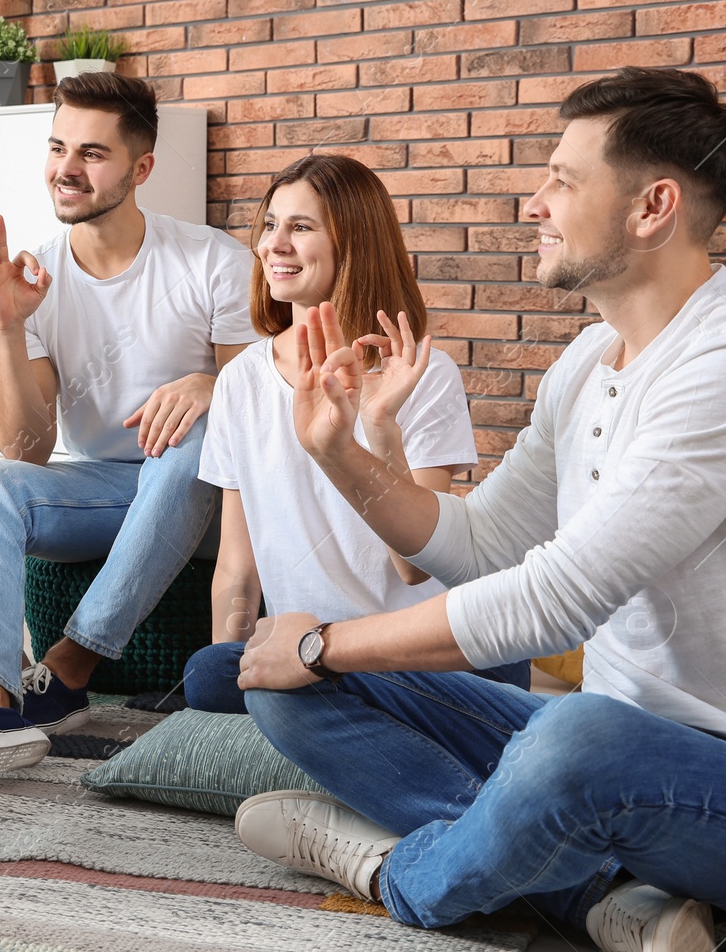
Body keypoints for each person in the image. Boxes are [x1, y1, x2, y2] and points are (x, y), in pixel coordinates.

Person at [230, 67, 726, 952]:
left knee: (572, 738)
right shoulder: (592, 358)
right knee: (276, 684)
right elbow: (480, 545)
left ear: (651, 208)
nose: (533, 202)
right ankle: (598, 892)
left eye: (562, 179)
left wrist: (322, 644)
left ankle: (398, 870)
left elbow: (549, 602)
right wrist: (338, 452)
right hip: (604, 746)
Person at [0, 71, 257, 790]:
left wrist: (212, 384)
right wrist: (7, 326)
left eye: (92, 153)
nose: (66, 167)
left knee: (197, 435)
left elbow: (261, 416)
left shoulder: (214, 261)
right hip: (103, 488)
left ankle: (67, 668)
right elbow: (24, 447)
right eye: (59, 146)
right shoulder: (38, 277)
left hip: (213, 497)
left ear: (141, 168)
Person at [181, 153, 526, 716]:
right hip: (304, 648)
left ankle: (337, 707)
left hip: (411, 646)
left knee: (496, 661)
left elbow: (417, 568)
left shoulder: (420, 373)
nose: (274, 245)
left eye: (301, 227)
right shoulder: (241, 379)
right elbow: (237, 569)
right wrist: (237, 671)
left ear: (354, 244)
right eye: (270, 225)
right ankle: (330, 706)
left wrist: (379, 424)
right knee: (209, 674)